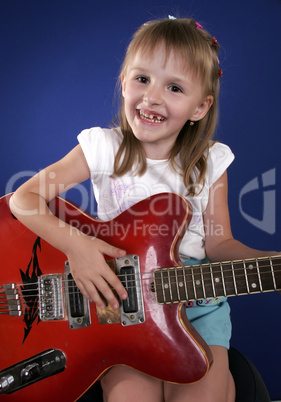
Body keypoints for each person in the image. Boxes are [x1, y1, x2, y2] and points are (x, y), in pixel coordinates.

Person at [9, 17, 277, 402]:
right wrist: (78, 248)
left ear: (200, 106)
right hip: (121, 305)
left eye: (174, 87)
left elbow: (220, 245)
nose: (152, 97)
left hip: (197, 304)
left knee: (207, 395)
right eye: (142, 79)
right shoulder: (103, 147)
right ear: (123, 82)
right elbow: (23, 199)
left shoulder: (211, 161)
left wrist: (273, 264)